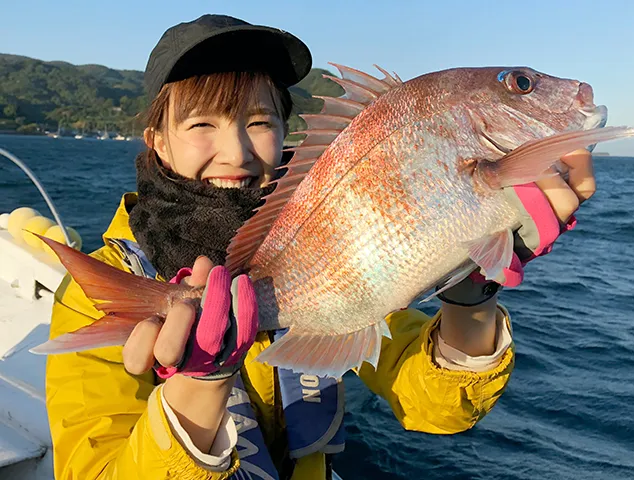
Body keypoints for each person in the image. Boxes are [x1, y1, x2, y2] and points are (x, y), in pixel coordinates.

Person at [44, 13, 596, 480]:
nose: (235, 151)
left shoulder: (320, 234)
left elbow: (435, 406)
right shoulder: (98, 287)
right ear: (157, 140)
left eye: (259, 121)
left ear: (287, 132)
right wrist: (196, 389)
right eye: (201, 124)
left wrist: (471, 294)